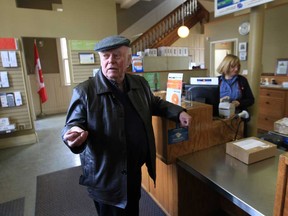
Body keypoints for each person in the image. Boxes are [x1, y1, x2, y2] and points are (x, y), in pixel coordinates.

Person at [61, 35, 192, 216]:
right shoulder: (85, 91)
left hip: (132, 170)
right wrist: (73, 134)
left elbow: (153, 103)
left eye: (117, 56)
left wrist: (178, 112)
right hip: (106, 177)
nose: (111, 61)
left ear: (129, 60)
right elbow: (73, 124)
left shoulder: (139, 84)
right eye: (106, 56)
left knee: (132, 210)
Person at [217, 54, 254, 137]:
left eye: (238, 66)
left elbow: (251, 100)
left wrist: (238, 102)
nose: (236, 69)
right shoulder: (217, 81)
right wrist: (219, 101)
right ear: (225, 66)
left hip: (238, 117)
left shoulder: (242, 80)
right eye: (233, 66)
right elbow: (210, 100)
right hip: (220, 117)